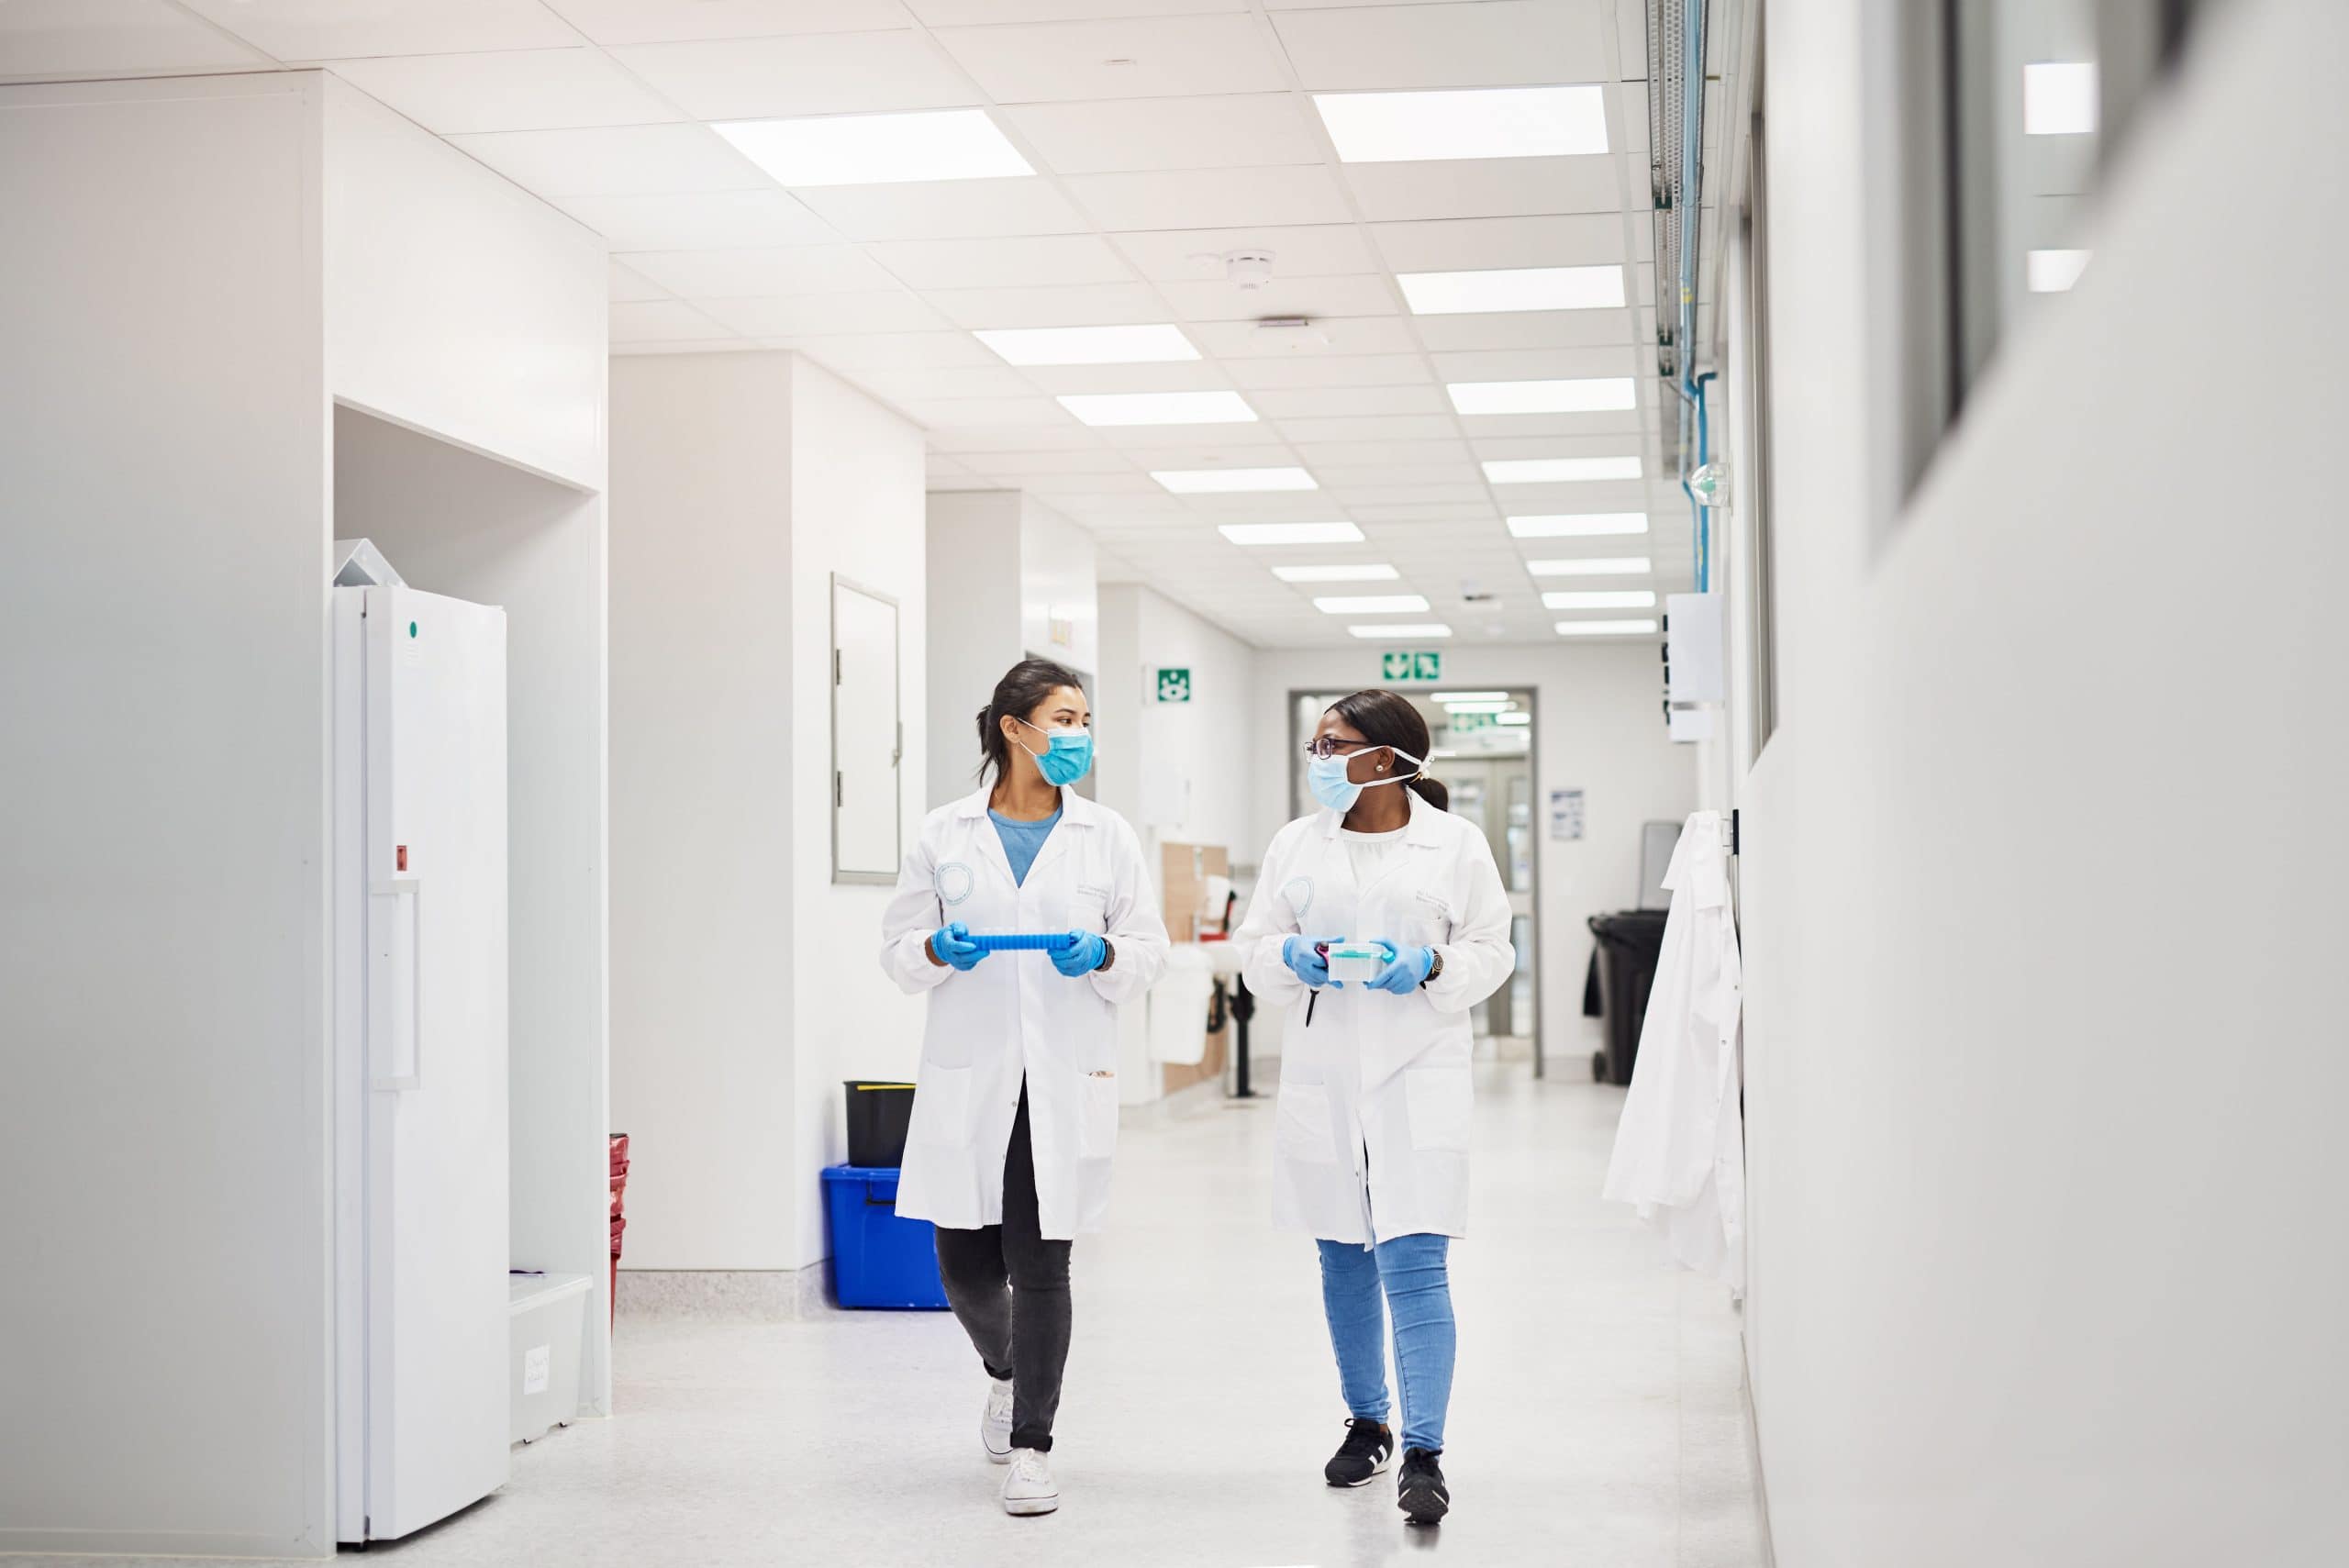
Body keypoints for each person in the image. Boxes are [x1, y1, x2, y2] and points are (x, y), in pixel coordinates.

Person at [879, 658, 1169, 1518]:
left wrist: (1106, 953)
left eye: (1085, 719)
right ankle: (1003, 1370)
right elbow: (897, 950)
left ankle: (1035, 1445)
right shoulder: (943, 832)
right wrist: (937, 951)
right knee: (965, 1269)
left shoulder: (1106, 835)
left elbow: (1147, 948)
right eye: (1063, 717)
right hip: (971, 1081)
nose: (1078, 735)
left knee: (1043, 1265)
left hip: (1062, 1077)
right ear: (1014, 726)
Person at [1233, 689, 1516, 1528]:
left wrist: (1428, 964)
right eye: (1315, 743)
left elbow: (1493, 949)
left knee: (1415, 1263)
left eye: (1334, 743)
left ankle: (1425, 1450)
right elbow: (1254, 952)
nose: (1318, 758)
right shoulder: (1297, 843)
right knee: (1343, 1260)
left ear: (1388, 757)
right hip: (1325, 1075)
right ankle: (1368, 1422)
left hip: (1417, 1069)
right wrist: (1291, 954)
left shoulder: (1454, 844)